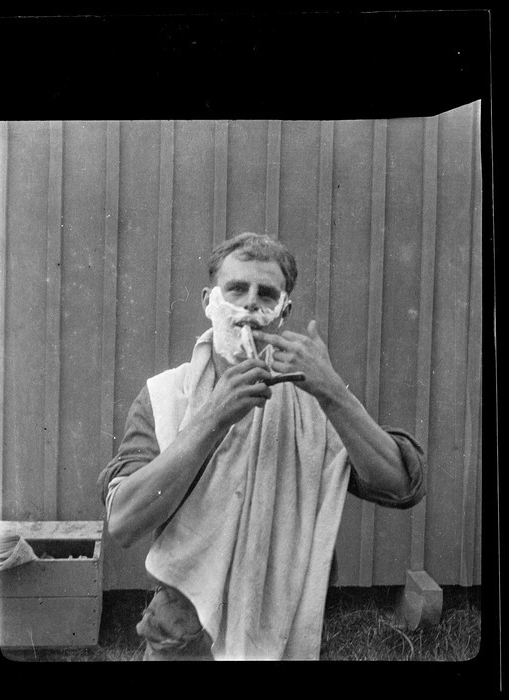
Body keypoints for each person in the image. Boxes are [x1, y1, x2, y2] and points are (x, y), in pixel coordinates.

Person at [97, 232, 425, 661]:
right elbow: (122, 521)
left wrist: (334, 396)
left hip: (285, 625)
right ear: (208, 301)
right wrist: (213, 418)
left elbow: (403, 485)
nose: (250, 304)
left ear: (283, 313)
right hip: (184, 632)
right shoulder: (165, 395)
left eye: (266, 294)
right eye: (236, 289)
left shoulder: (315, 398)